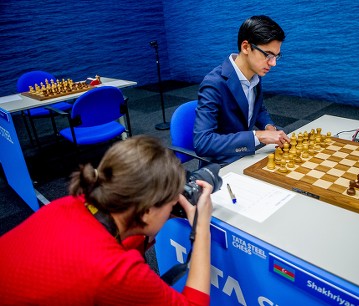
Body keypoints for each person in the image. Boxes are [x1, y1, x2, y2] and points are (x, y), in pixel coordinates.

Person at [0, 135, 213, 305]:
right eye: (170, 202)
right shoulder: (114, 270)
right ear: (147, 210)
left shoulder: (71, 203)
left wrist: (164, 210)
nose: (174, 206)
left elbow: (120, 238)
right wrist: (201, 229)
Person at [194, 15, 291, 166]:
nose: (273, 63)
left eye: (276, 57)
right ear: (246, 47)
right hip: (222, 164)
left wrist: (268, 127)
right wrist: (258, 136)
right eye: (268, 55)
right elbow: (202, 143)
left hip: (247, 155)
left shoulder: (255, 74)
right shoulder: (214, 84)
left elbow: (257, 109)